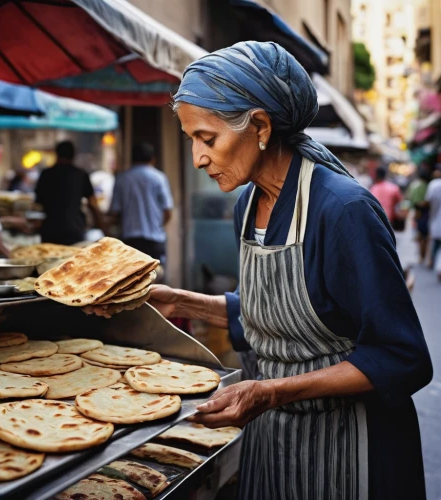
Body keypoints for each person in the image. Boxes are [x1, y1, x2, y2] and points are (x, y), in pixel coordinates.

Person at [89, 42, 433, 499]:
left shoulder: (343, 211)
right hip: (274, 441)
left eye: (207, 139)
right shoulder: (248, 206)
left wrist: (273, 392)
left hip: (352, 449)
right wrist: (179, 300)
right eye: (191, 140)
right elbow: (273, 316)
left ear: (260, 127)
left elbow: (402, 356)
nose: (197, 158)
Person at [108, 143, 173, 262]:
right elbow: (167, 212)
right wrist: (156, 226)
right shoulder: (159, 178)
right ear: (152, 158)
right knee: (157, 276)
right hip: (155, 239)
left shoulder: (122, 179)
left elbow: (115, 212)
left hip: (130, 241)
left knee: (132, 278)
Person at [35, 141, 103, 245]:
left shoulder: (46, 174)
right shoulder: (80, 175)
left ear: (56, 154)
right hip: (74, 228)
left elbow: (38, 204)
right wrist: (102, 225)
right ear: (73, 155)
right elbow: (92, 203)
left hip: (50, 229)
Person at [406, 168, 431, 263]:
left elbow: (408, 197)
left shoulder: (413, 185)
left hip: (414, 212)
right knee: (424, 236)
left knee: (418, 234)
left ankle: (420, 255)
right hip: (423, 213)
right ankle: (422, 255)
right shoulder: (425, 186)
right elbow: (427, 201)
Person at [426, 165, 441, 272]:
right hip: (436, 218)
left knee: (435, 242)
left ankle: (432, 261)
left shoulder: (434, 185)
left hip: (436, 217)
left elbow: (428, 201)